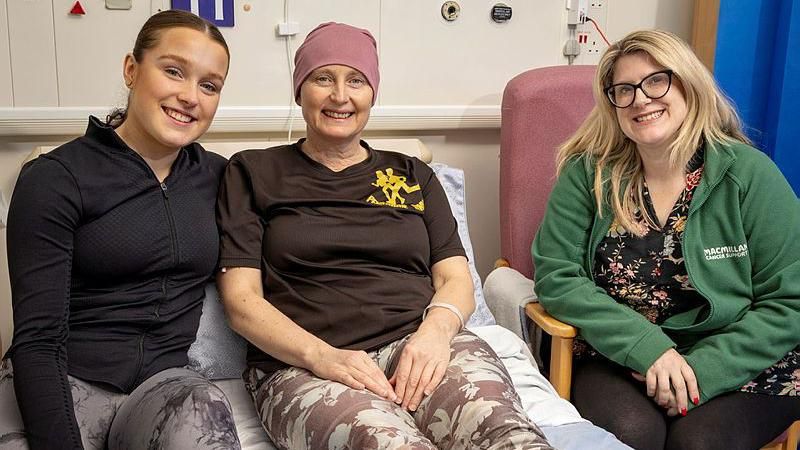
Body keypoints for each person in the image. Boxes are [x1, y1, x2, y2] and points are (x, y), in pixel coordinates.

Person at [216, 22, 554, 449]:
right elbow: (241, 302)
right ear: (300, 89)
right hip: (304, 366)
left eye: (356, 80)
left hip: (420, 345)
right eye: (323, 78)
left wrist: (434, 334)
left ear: (372, 92)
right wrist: (325, 358)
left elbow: (455, 279)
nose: (341, 95)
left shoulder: (413, 174)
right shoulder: (252, 172)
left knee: (507, 435)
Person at [532, 29, 800, 450]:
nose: (640, 99)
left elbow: (791, 299)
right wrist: (649, 349)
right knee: (634, 434)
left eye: (657, 80)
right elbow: (557, 277)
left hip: (740, 362)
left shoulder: (749, 175)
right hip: (616, 356)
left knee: (700, 444)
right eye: (625, 89)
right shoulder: (589, 174)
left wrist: (701, 371)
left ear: (688, 84)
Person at [0, 10, 241, 450]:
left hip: (164, 388)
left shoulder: (221, 179)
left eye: (209, 85)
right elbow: (37, 341)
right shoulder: (54, 178)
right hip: (63, 380)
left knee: (204, 410)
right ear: (132, 70)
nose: (190, 96)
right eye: (173, 71)